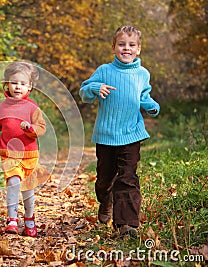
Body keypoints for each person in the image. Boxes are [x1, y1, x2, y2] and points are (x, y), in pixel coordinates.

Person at [79, 25, 160, 237]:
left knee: (128, 176)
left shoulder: (142, 74)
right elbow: (84, 92)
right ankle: (106, 200)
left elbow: (144, 97)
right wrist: (96, 88)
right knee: (104, 179)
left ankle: (127, 224)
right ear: (114, 47)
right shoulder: (105, 71)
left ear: (138, 49)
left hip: (132, 133)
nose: (127, 48)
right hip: (106, 135)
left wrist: (151, 106)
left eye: (131, 45)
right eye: (122, 44)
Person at [0, 61, 48, 237]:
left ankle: (29, 220)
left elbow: (41, 127)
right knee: (13, 182)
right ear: (7, 84)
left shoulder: (32, 108)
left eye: (23, 84)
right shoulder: (3, 107)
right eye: (14, 83)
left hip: (29, 154)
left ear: (29, 87)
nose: (18, 87)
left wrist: (30, 129)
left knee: (27, 189)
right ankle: (11, 220)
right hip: (9, 153)